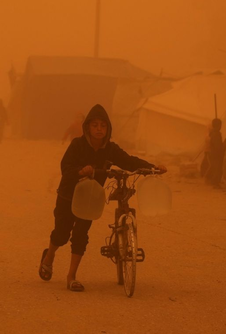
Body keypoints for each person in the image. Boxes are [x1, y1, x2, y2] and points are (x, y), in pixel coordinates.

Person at [38, 104, 166, 292]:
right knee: (62, 234)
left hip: (90, 198)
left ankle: (71, 277)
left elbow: (129, 161)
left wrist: (152, 167)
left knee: (81, 235)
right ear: (87, 127)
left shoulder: (110, 149)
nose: (99, 129)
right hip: (68, 196)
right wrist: (80, 171)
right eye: (95, 125)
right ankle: (49, 256)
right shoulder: (77, 145)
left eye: (103, 126)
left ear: (108, 129)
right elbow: (65, 167)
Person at [203, 118, 225, 187]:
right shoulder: (216, 134)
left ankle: (210, 179)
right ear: (218, 125)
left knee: (213, 167)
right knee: (218, 168)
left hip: (213, 153)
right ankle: (215, 182)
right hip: (216, 154)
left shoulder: (212, 133)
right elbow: (217, 145)